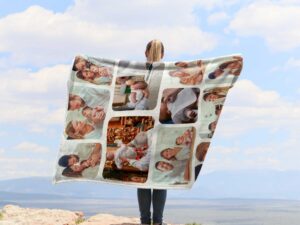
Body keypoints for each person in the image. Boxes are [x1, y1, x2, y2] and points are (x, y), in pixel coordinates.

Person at [137, 39, 167, 225]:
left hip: (142, 126)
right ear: (162, 54)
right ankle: (158, 222)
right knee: (159, 178)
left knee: (143, 178)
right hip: (163, 128)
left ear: (145, 52)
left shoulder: (137, 72)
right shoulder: (169, 72)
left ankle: (144, 221)